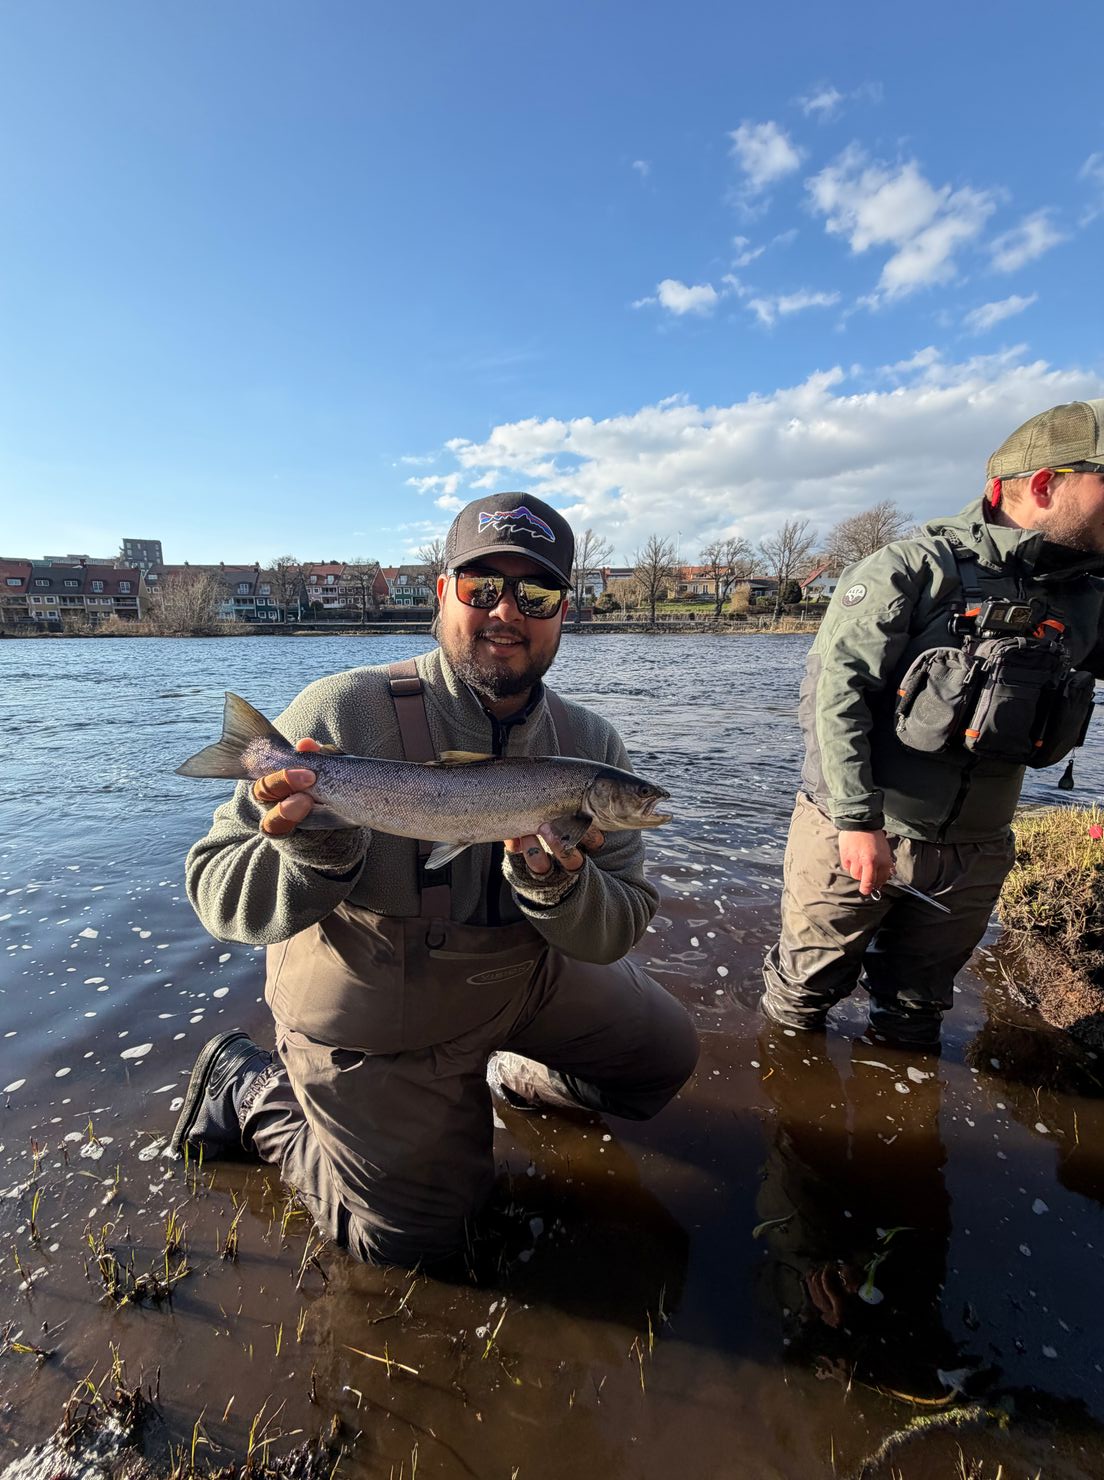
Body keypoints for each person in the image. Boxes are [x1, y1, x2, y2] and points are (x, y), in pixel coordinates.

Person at [173, 491, 699, 1267]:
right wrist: (317, 850)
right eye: (482, 587)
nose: (506, 612)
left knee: (666, 1056)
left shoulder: (592, 743)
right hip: (376, 1010)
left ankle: (509, 1074)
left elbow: (618, 924)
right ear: (442, 594)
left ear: (564, 612)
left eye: (537, 594)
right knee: (412, 1248)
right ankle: (249, 1090)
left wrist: (557, 888)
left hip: (520, 981)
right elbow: (215, 891)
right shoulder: (341, 712)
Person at [762, 398, 1104, 1050]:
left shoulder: (1086, 596)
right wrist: (856, 821)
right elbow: (834, 698)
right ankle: (784, 1106)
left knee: (916, 1012)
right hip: (856, 835)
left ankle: (900, 1112)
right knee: (802, 998)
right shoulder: (909, 570)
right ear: (1044, 484)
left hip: (975, 852)